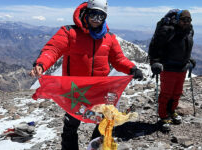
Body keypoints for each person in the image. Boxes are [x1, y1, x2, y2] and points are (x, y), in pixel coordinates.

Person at [30, 0, 143, 149]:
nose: (96, 20)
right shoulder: (69, 32)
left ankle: (95, 146)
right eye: (93, 15)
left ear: (105, 18)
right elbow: (53, 49)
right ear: (86, 13)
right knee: (71, 125)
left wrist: (131, 69)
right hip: (75, 91)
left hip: (99, 91)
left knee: (103, 122)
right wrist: (41, 64)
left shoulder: (109, 38)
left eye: (101, 17)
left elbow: (118, 59)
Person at [148, 9, 196, 132]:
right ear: (178, 19)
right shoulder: (168, 30)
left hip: (182, 67)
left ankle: (172, 112)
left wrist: (189, 58)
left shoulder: (190, 31)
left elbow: (184, 47)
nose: (186, 22)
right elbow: (155, 47)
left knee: (177, 92)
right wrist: (155, 62)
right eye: (183, 20)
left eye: (188, 20)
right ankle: (163, 117)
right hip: (168, 67)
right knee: (166, 93)